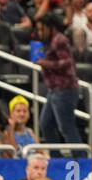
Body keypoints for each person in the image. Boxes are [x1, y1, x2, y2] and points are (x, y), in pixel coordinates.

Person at [36, 13, 83, 154]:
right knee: (46, 124)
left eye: (41, 29)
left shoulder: (59, 40)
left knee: (66, 127)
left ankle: (80, 159)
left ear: (50, 27)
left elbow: (67, 62)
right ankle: (56, 158)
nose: (40, 32)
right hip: (54, 90)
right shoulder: (50, 40)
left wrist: (45, 63)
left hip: (65, 89)